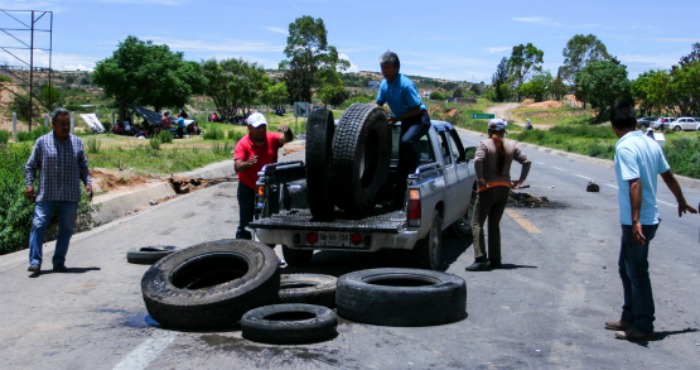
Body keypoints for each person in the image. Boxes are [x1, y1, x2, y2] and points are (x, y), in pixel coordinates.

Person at [605, 103, 696, 341]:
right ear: (635, 122)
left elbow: (635, 184)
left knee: (636, 271)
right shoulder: (649, 143)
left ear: (613, 127)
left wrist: (635, 222)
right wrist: (681, 200)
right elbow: (667, 174)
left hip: (638, 221)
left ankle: (643, 325)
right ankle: (629, 316)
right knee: (625, 268)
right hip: (647, 219)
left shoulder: (624, 148)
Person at [24, 107, 93, 274]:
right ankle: (35, 262)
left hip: (70, 194)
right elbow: (30, 166)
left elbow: (84, 167)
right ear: (53, 124)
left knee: (67, 228)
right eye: (62, 124)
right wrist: (29, 184)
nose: (66, 127)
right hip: (47, 193)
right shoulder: (42, 142)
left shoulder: (77, 142)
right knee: (38, 225)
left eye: (67, 123)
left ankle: (59, 261)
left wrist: (88, 183)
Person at [465, 119, 531, 271]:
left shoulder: (484, 144)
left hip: (487, 189)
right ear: (504, 133)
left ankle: (480, 258)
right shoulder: (511, 146)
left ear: (489, 132)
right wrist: (521, 180)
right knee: (494, 224)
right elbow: (527, 162)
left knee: (476, 223)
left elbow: (477, 160)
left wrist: (480, 178)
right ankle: (495, 259)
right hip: (504, 190)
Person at [375, 51, 432, 207]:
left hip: (419, 119)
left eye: (387, 68)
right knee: (401, 164)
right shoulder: (384, 84)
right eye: (382, 68)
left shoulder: (405, 85)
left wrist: (397, 119)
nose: (384, 71)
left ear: (396, 68)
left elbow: (418, 110)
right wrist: (362, 112)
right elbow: (378, 103)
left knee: (407, 142)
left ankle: (418, 170)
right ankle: (398, 201)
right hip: (406, 120)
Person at [233, 112, 293, 240]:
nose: (261, 130)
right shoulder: (243, 144)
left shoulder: (271, 138)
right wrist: (248, 163)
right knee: (246, 223)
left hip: (268, 186)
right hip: (248, 187)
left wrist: (287, 131)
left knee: (268, 221)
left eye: (263, 127)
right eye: (257, 127)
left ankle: (267, 252)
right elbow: (237, 167)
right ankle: (243, 249)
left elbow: (286, 139)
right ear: (249, 127)